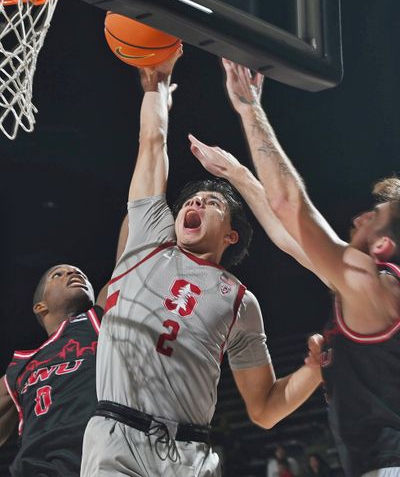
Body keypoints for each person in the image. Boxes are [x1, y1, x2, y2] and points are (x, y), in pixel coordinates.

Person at [80, 50, 323, 477]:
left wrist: (312, 371)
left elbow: (265, 408)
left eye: (211, 203)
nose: (195, 201)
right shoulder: (151, 236)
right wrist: (156, 85)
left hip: (189, 457)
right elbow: (152, 143)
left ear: (231, 236)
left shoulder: (240, 303)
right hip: (117, 438)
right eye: (192, 199)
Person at [188, 58, 400, 477]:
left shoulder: (371, 288)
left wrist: (250, 109)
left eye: (371, 217)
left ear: (383, 243)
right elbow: (291, 237)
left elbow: (291, 206)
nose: (358, 218)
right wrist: (238, 174)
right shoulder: (370, 289)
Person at [0, 265, 104, 477]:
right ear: (40, 306)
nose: (73, 273)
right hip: (36, 468)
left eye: (82, 273)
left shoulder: (98, 321)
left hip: (98, 461)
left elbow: (131, 259)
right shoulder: (21, 366)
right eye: (58, 274)